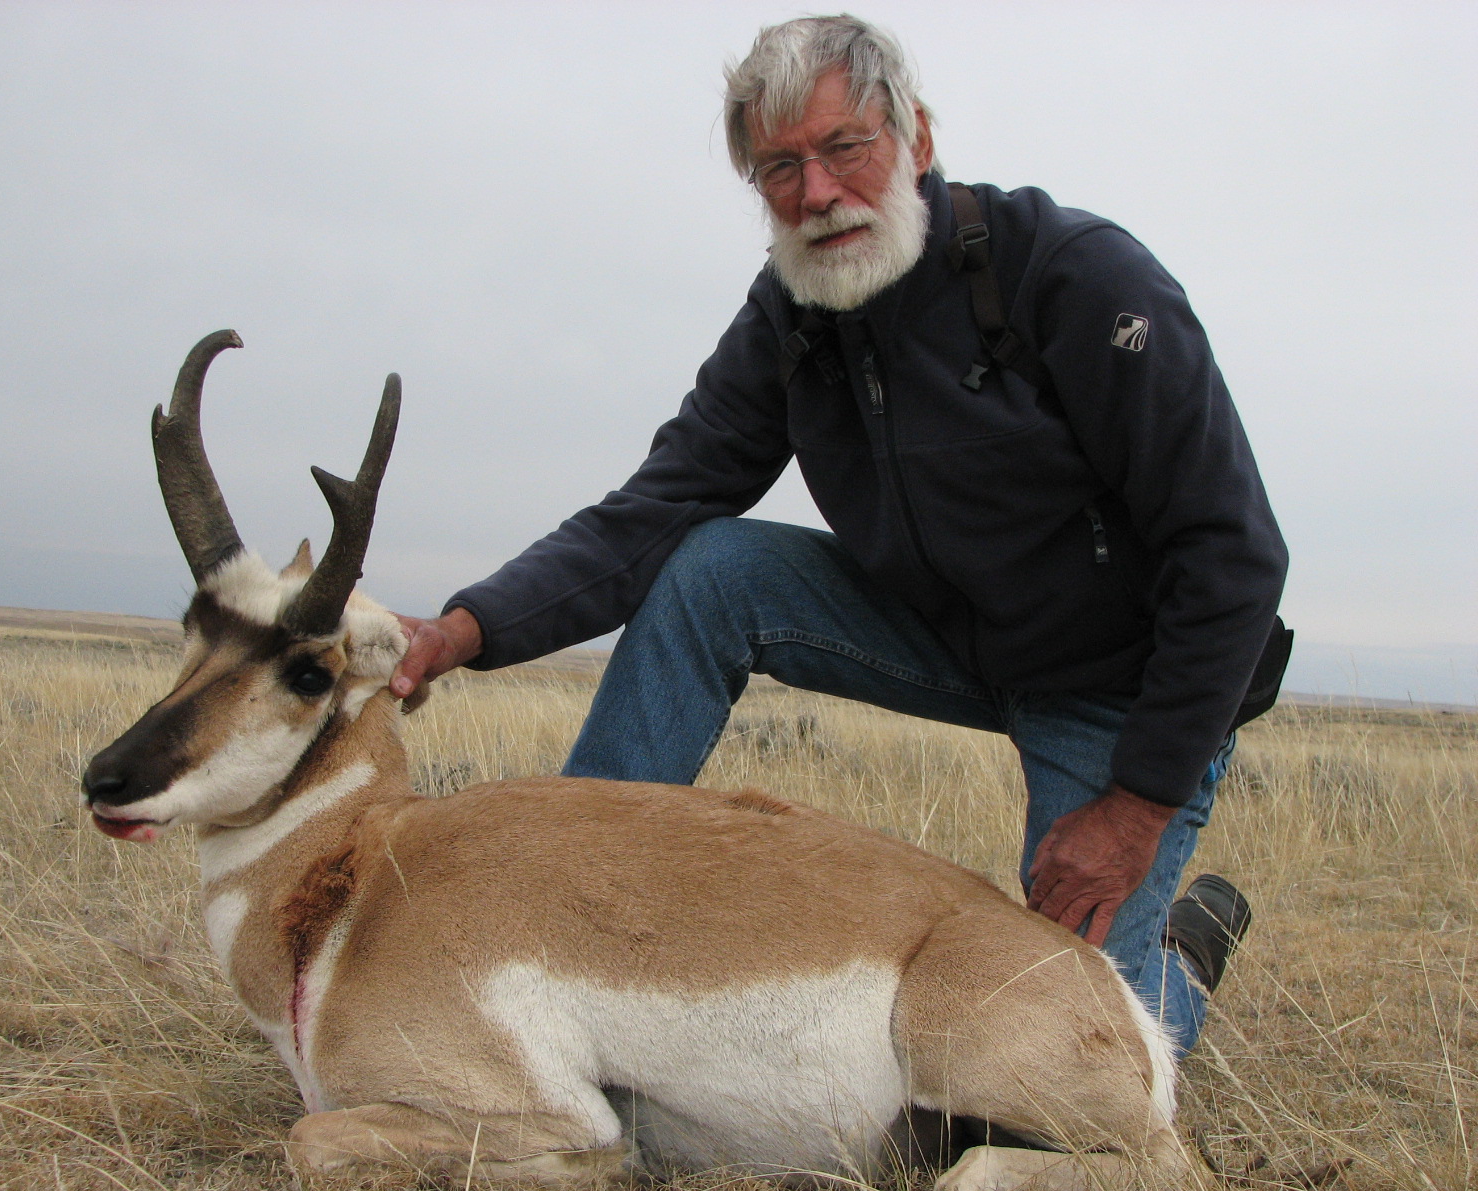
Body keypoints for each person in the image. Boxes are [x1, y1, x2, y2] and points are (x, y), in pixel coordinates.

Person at [388, 14, 1285, 1058]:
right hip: (948, 634)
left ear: (918, 139)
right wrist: (463, 629)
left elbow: (1233, 555)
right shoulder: (792, 313)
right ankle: (547, 912)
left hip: (1115, 686)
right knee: (712, 566)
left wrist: (1133, 810)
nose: (816, 194)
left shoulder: (1078, 277)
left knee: (1061, 1051)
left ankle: (1179, 964)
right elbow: (658, 506)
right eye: (779, 167)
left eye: (844, 147)